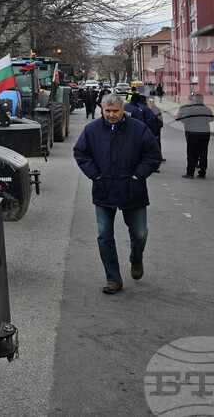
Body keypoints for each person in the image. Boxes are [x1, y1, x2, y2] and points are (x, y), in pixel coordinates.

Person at [73, 93, 162, 294]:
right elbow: (81, 153)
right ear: (102, 110)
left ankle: (136, 258)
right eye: (108, 111)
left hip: (133, 190)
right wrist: (95, 176)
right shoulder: (91, 130)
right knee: (104, 234)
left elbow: (153, 155)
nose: (111, 115)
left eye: (115, 111)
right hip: (104, 189)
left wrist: (138, 176)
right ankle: (113, 278)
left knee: (139, 234)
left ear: (123, 110)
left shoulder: (139, 129)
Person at [174, 93, 214, 179]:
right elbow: (211, 119)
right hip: (205, 133)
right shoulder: (207, 109)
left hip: (193, 133)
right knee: (203, 154)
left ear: (195, 100)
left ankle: (190, 173)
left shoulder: (190, 109)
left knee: (191, 154)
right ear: (202, 100)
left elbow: (184, 120)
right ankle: (202, 173)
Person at [147, 96, 165, 162]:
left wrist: (160, 125)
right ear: (147, 102)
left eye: (153, 101)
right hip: (149, 129)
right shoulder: (146, 109)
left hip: (157, 128)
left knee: (158, 143)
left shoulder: (156, 108)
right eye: (150, 101)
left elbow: (160, 117)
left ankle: (159, 156)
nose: (152, 103)